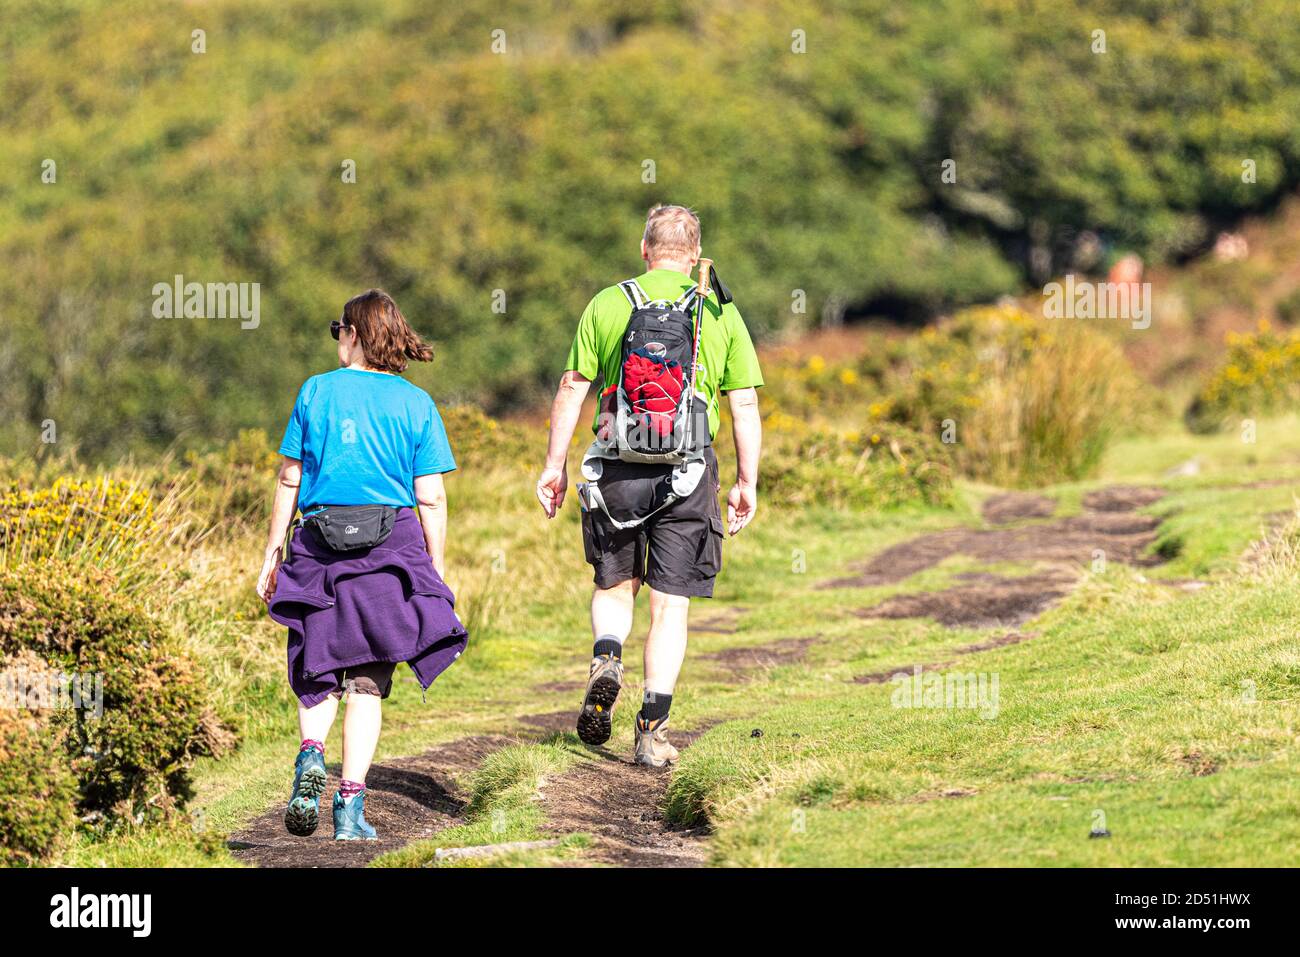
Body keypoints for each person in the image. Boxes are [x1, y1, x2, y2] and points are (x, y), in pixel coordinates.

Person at [536, 204, 764, 766]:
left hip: (616, 466)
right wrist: (745, 482)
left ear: (644, 249)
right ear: (695, 256)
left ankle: (607, 656)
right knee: (670, 605)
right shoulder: (717, 312)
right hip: (689, 471)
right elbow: (745, 402)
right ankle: (651, 732)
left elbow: (572, 387)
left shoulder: (608, 303)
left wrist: (554, 465)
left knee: (615, 587)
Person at [256, 289, 466, 840]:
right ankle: (349, 812)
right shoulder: (415, 403)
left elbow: (289, 478)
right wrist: (432, 570)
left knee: (316, 667)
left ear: (354, 333)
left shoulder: (315, 391)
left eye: (339, 331)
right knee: (369, 682)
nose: (337, 341)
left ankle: (310, 756)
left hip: (318, 545)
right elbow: (432, 498)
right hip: (390, 547)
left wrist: (272, 550)